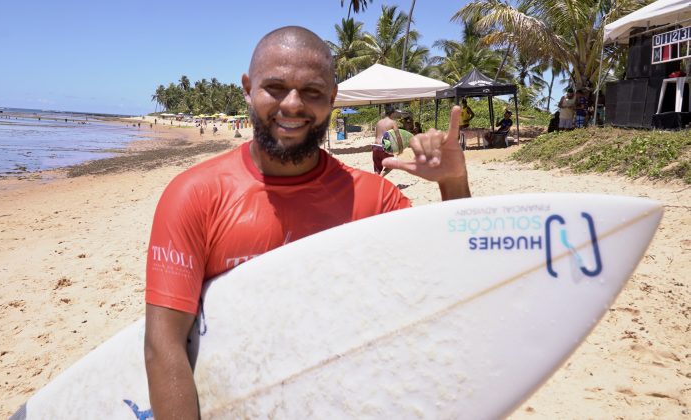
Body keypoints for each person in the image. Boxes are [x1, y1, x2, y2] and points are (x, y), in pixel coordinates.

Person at [144, 26, 470, 419]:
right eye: (276, 87)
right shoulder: (193, 196)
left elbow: (456, 284)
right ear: (248, 89)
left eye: (313, 91)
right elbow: (164, 345)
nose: (293, 104)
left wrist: (454, 184)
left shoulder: (373, 199)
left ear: (332, 99)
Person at [372, 105, 403, 175]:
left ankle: (376, 182)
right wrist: (400, 147)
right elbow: (398, 136)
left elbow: (376, 136)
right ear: (393, 113)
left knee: (377, 169)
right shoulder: (393, 122)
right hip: (385, 146)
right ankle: (380, 177)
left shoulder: (379, 122)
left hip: (375, 146)